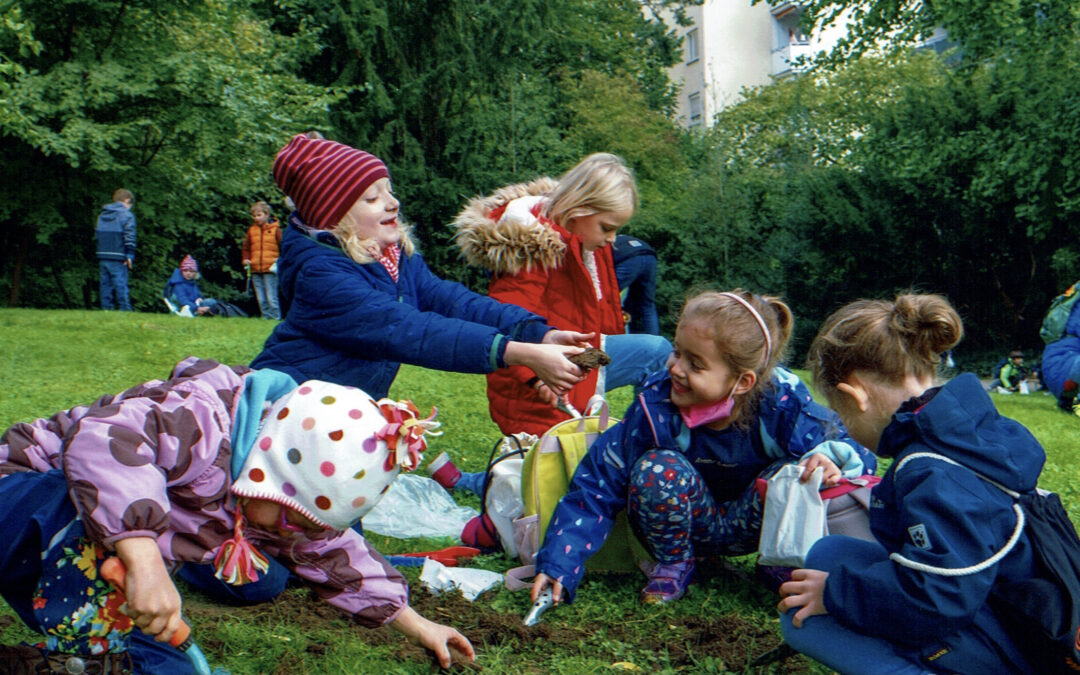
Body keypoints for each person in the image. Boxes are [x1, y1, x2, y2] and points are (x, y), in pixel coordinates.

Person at [0, 357, 475, 674]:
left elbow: (335, 555)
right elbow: (105, 442)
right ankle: (91, 656)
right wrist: (145, 560)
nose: (295, 535)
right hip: (19, 497)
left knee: (172, 665)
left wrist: (416, 623)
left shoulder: (278, 500)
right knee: (91, 532)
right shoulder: (202, 419)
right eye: (295, 520)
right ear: (270, 471)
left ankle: (85, 658)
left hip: (76, 554)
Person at [529, 290, 874, 606]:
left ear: (743, 382)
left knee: (796, 471)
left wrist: (832, 460)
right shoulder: (656, 405)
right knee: (656, 468)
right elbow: (597, 483)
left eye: (695, 363)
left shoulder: (783, 405)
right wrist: (559, 562)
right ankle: (674, 563)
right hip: (678, 528)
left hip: (750, 526)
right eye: (677, 352)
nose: (675, 368)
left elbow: (855, 450)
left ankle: (778, 561)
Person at [778, 293, 1044, 675]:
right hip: (1007, 606)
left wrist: (836, 596)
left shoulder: (931, 472)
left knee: (806, 623)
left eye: (840, 416)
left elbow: (940, 598)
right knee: (830, 554)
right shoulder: (965, 427)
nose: (846, 428)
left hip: (1012, 643)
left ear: (856, 396)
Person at [250, 134, 589, 407]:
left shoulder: (392, 257)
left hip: (337, 411)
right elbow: (408, 330)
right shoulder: (320, 275)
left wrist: (535, 333)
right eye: (372, 198)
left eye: (389, 190)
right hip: (290, 408)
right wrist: (518, 353)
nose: (393, 203)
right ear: (334, 217)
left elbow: (451, 301)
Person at [453, 154, 673, 437]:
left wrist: (611, 335)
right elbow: (505, 324)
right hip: (535, 378)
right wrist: (536, 379)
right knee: (555, 472)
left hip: (580, 357)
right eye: (607, 227)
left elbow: (600, 308)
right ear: (578, 210)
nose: (612, 238)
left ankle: (648, 439)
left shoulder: (588, 242)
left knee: (657, 353)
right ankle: (473, 479)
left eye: (617, 229)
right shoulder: (533, 248)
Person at [95, 188, 136, 311]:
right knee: (120, 284)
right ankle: (125, 309)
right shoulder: (127, 215)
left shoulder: (102, 215)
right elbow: (129, 236)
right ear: (127, 200)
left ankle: (107, 309)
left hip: (103, 254)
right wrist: (129, 254)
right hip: (118, 254)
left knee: (105, 284)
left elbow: (97, 234)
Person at [611, 234, 661, 335]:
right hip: (650, 256)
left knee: (605, 298)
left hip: (628, 258)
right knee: (648, 305)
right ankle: (655, 340)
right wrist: (627, 309)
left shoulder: (602, 241)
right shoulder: (621, 239)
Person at [242, 201, 283, 320]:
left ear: (266, 214)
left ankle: (275, 318)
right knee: (261, 297)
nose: (256, 218)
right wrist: (246, 259)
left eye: (259, 215)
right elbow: (246, 248)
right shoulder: (251, 231)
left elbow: (283, 247)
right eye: (254, 215)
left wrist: (280, 260)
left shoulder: (275, 230)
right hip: (255, 268)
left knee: (271, 296)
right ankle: (265, 318)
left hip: (270, 268)